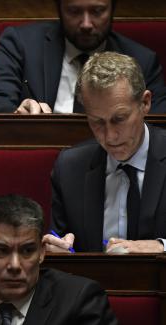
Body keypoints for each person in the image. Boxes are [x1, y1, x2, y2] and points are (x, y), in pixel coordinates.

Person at [46, 51, 166, 253]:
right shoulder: (69, 168)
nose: (110, 136)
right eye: (97, 122)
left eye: (119, 119)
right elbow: (62, 242)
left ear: (145, 103)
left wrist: (162, 246)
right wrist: (59, 251)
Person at [0, 194, 117, 325]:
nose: (15, 265)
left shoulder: (79, 300)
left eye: (27, 250)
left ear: (41, 252)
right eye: (1, 250)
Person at [0, 0, 166, 114]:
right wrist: (17, 113)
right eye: (74, 11)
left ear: (112, 8)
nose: (86, 24)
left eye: (97, 11)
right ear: (59, 8)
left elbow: (157, 127)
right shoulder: (21, 43)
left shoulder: (142, 60)